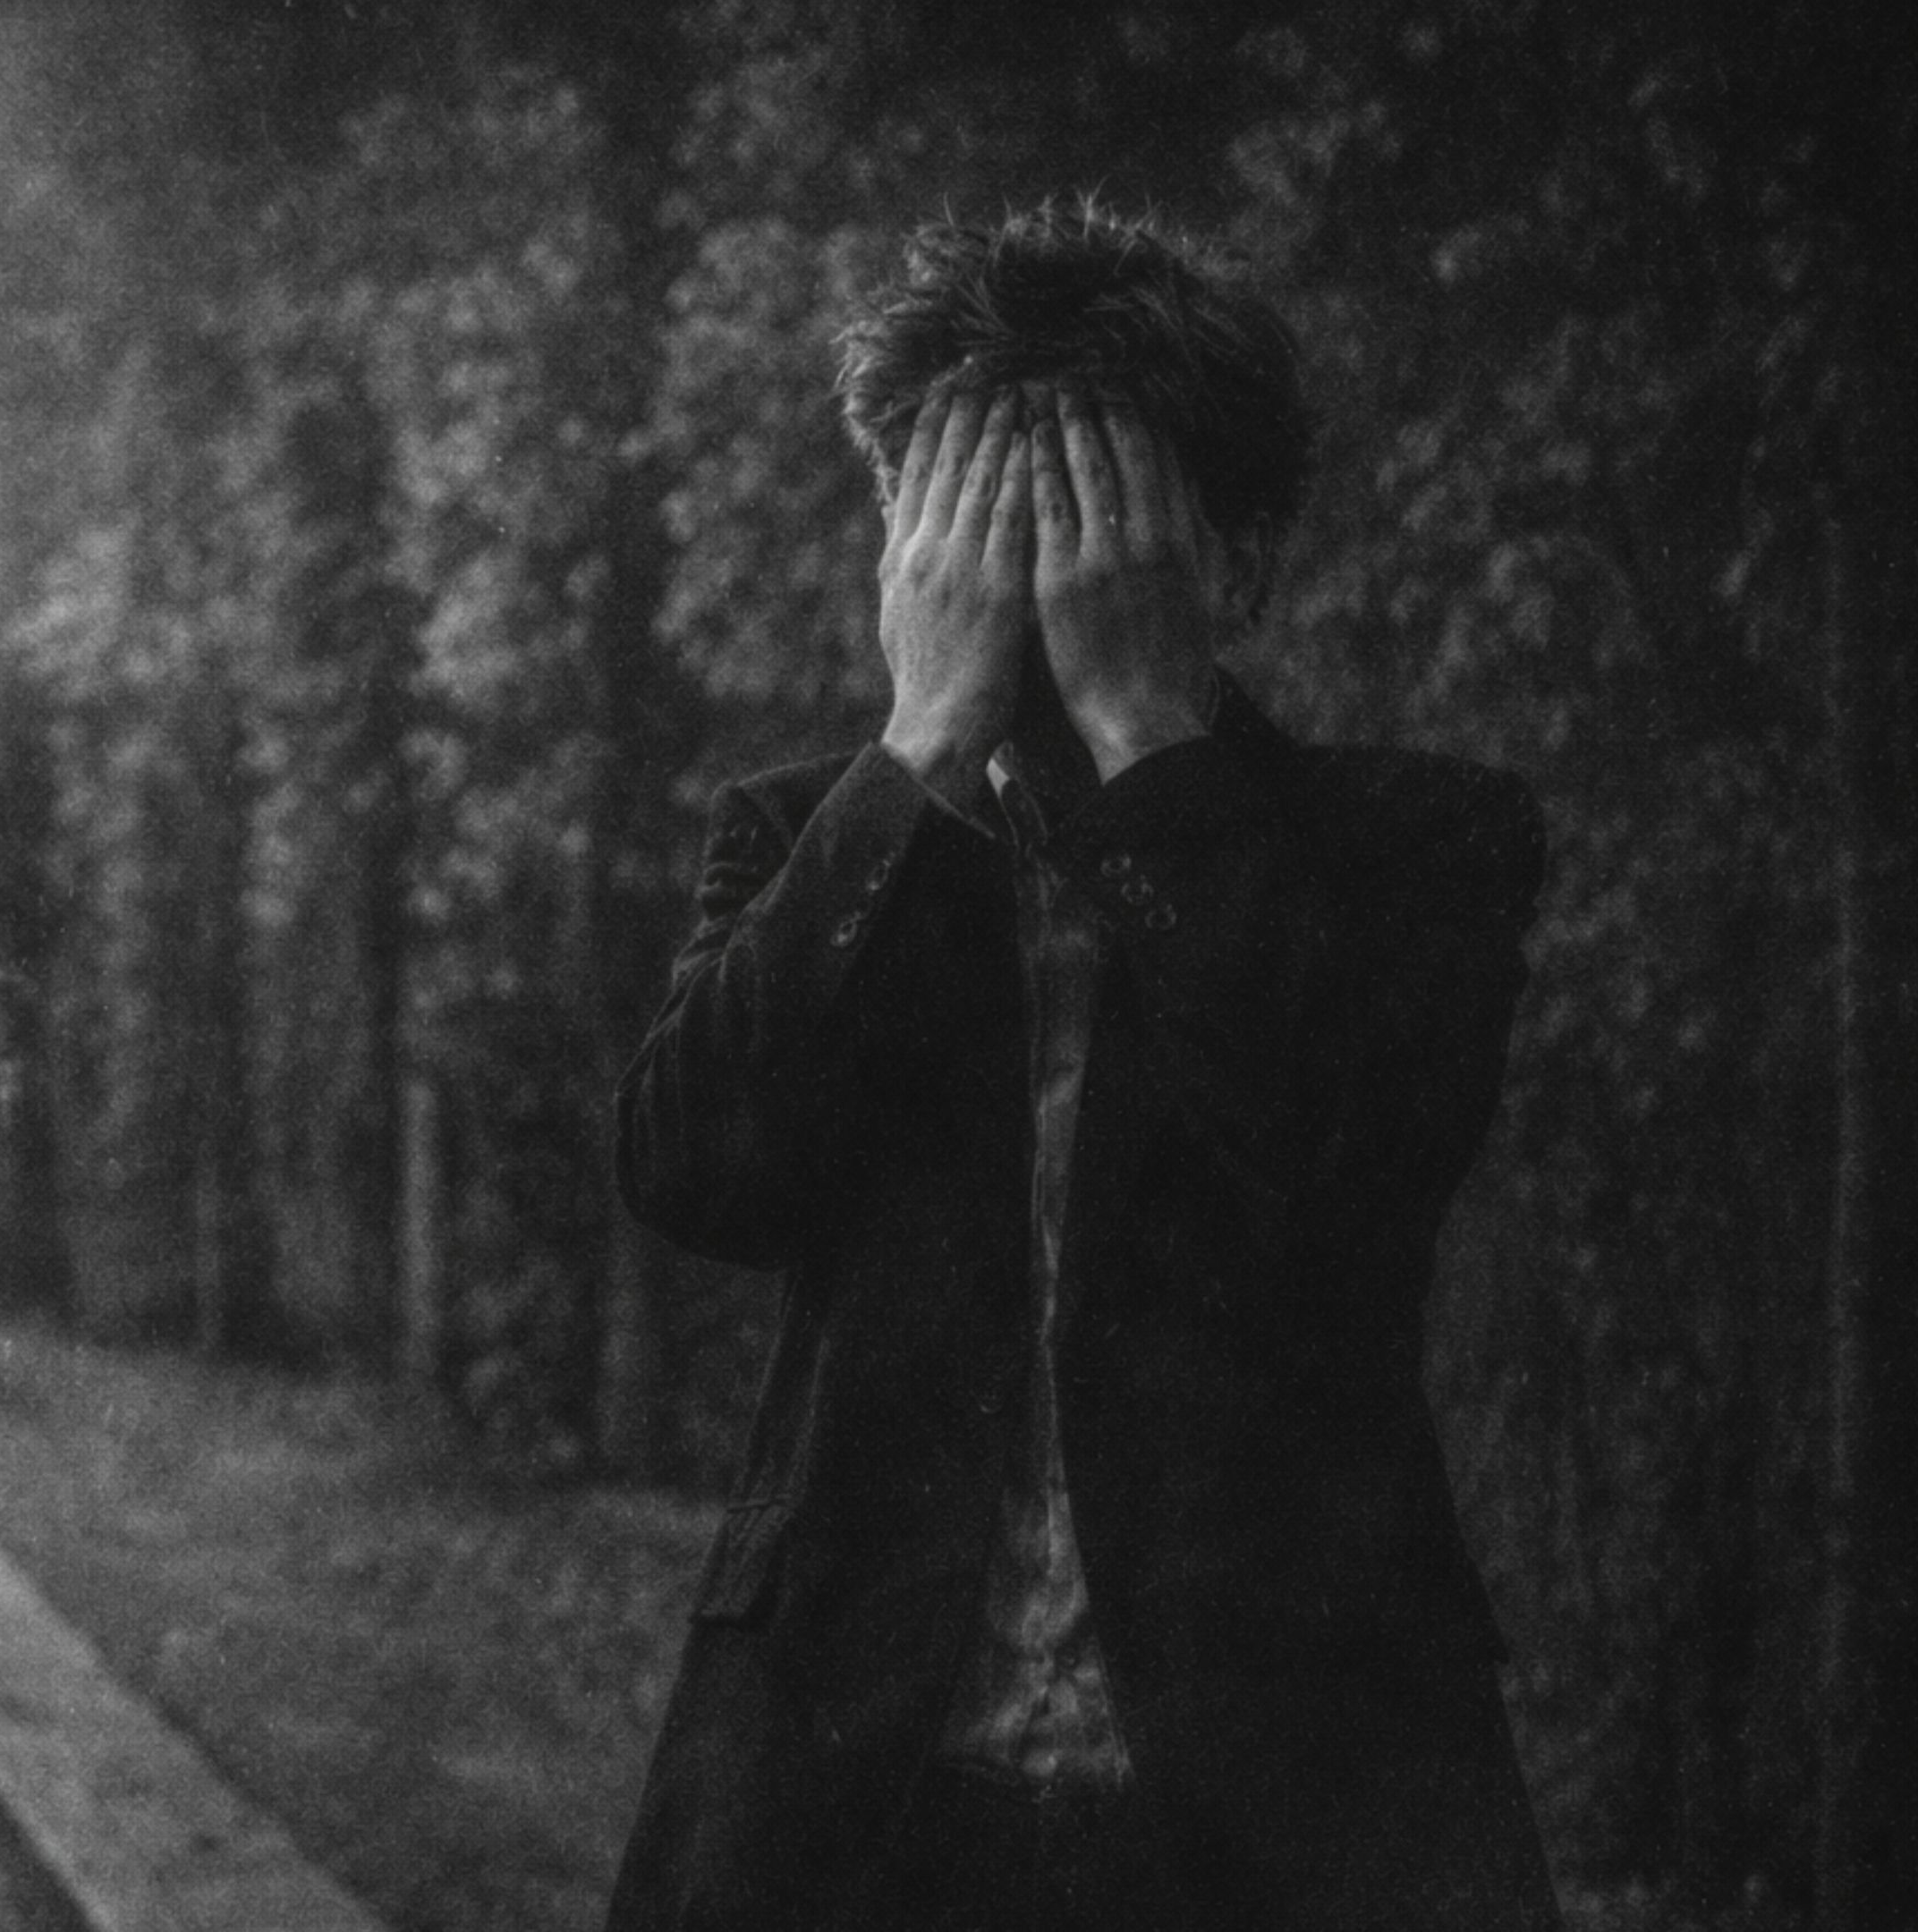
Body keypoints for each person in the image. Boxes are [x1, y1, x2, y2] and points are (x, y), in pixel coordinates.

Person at [602, 201, 1565, 1931]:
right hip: (857, 1814)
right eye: (974, 527)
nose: (1032, 584)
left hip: (1286, 1822)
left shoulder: (1420, 845)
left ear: (1239, 565)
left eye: (1092, 527)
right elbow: (692, 1172)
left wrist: (1145, 743)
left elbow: (1349, 1173)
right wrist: (916, 749)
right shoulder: (812, 842)